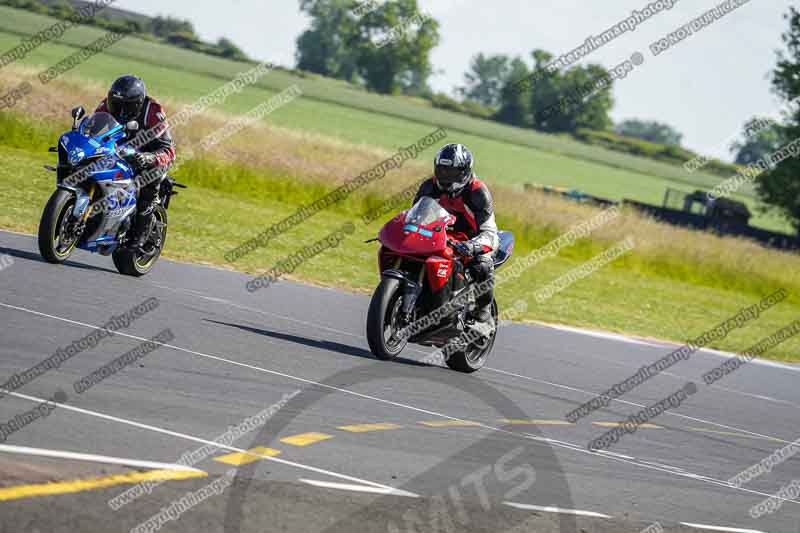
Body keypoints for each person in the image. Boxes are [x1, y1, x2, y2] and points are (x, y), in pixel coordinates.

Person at [413, 143, 499, 335]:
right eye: (441, 170)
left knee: (482, 266)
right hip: (440, 235)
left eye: (450, 172)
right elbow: (414, 215)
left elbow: (489, 231)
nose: (444, 176)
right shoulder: (429, 186)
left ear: (464, 172)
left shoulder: (477, 192)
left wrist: (473, 246)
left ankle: (483, 314)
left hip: (471, 239)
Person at [95, 75, 175, 251]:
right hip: (120, 150)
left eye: (127, 105)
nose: (120, 110)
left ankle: (140, 234)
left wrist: (149, 158)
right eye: (116, 104)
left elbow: (168, 150)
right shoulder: (105, 105)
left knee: (148, 179)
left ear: (138, 103)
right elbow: (93, 128)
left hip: (153, 154)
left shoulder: (153, 111)